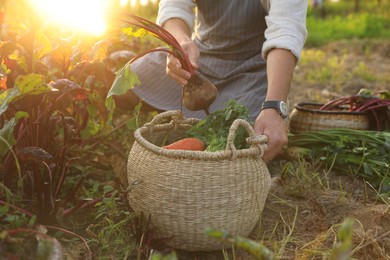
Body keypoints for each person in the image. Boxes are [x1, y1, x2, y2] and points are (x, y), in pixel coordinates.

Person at [118, 0, 308, 162]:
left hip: (255, 69)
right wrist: (181, 42)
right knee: (125, 88)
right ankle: (179, 115)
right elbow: (174, 6)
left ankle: (187, 121)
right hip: (200, 59)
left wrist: (274, 107)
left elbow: (286, 30)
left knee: (244, 138)